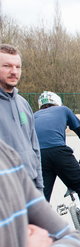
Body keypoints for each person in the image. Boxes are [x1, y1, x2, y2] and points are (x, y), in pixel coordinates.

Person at [34, 91, 80, 230]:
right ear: (57, 102)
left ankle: (38, 228)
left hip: (39, 156)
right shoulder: (63, 110)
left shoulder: (33, 115)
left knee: (42, 193)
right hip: (60, 152)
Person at [0, 44, 43, 190]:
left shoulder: (23, 103)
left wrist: (40, 187)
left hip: (29, 186)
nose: (14, 72)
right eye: (7, 66)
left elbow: (34, 148)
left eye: (17, 67)